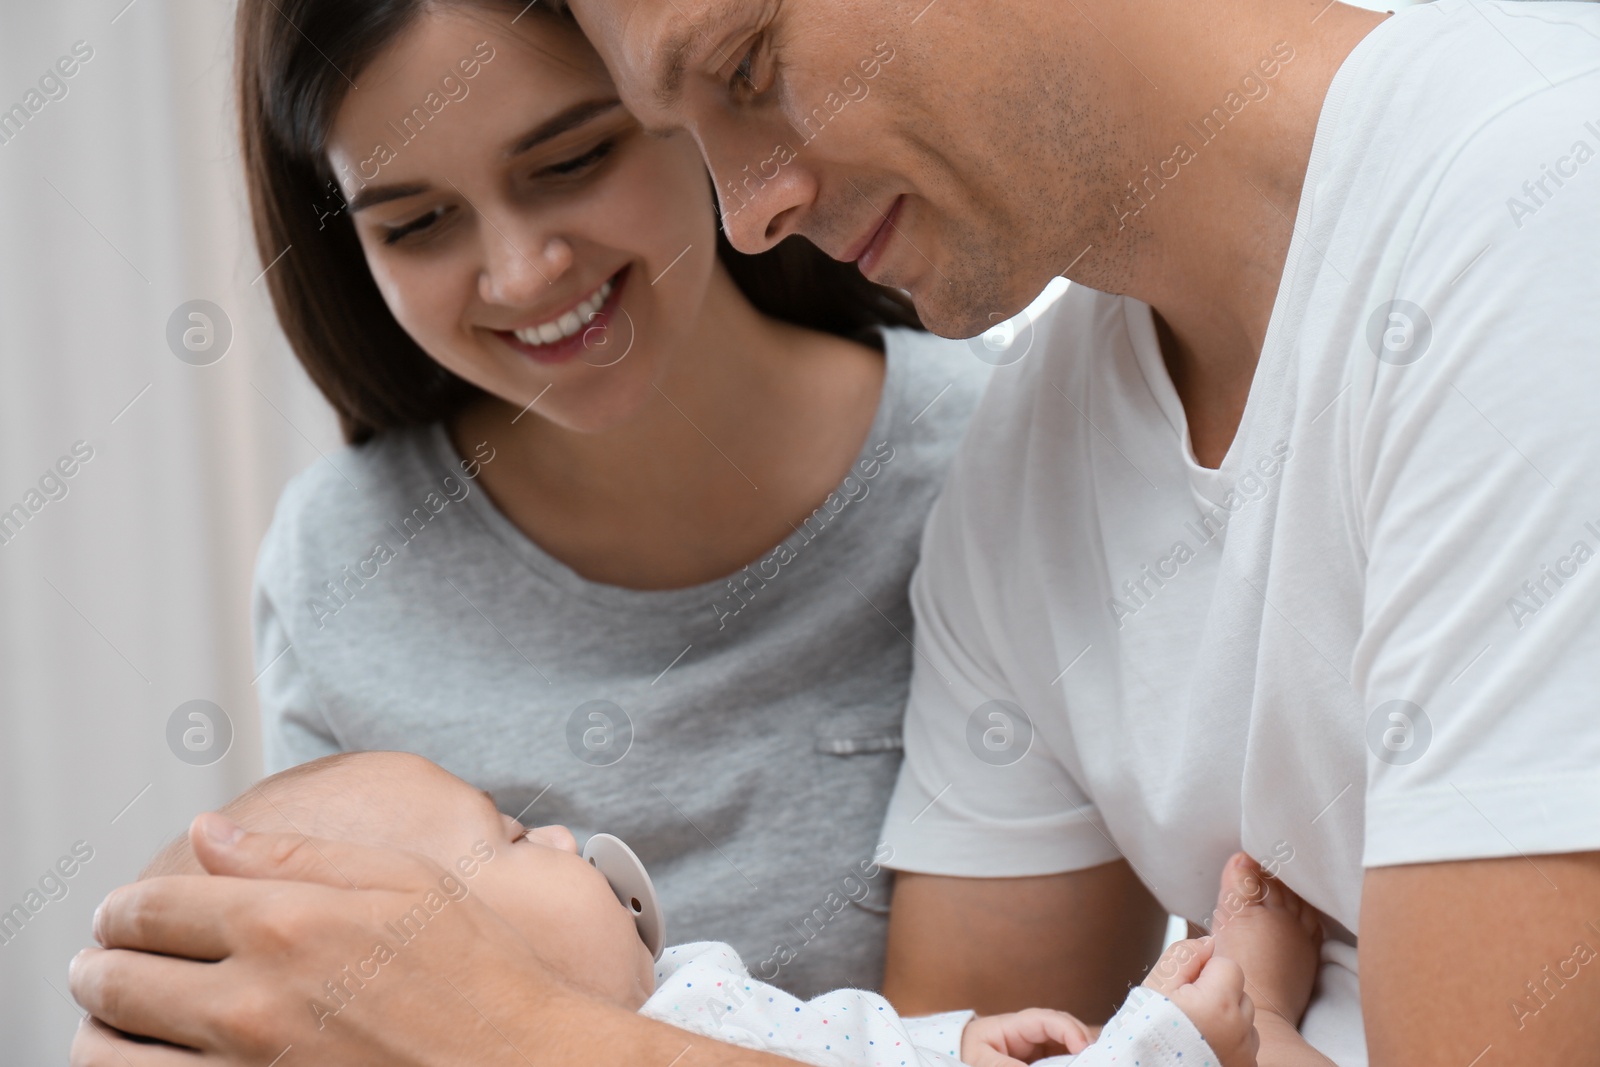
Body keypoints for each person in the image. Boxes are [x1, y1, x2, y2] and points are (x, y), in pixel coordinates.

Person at [68, 0, 1600, 1064]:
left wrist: (504, 1031)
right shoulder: (1031, 483)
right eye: (413, 219)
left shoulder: (1534, 215)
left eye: (745, 62)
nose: (747, 216)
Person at [237, 0, 987, 1002]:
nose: (520, 273)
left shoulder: (986, 460)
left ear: (695, 88)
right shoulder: (337, 563)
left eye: (570, 161)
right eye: (416, 223)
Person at [137, 750, 1329, 1067]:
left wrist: (947, 1040)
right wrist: (1160, 1046)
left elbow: (834, 1041)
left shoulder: (678, 995)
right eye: (505, 836)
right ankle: (1246, 1021)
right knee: (1210, 1025)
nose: (557, 834)